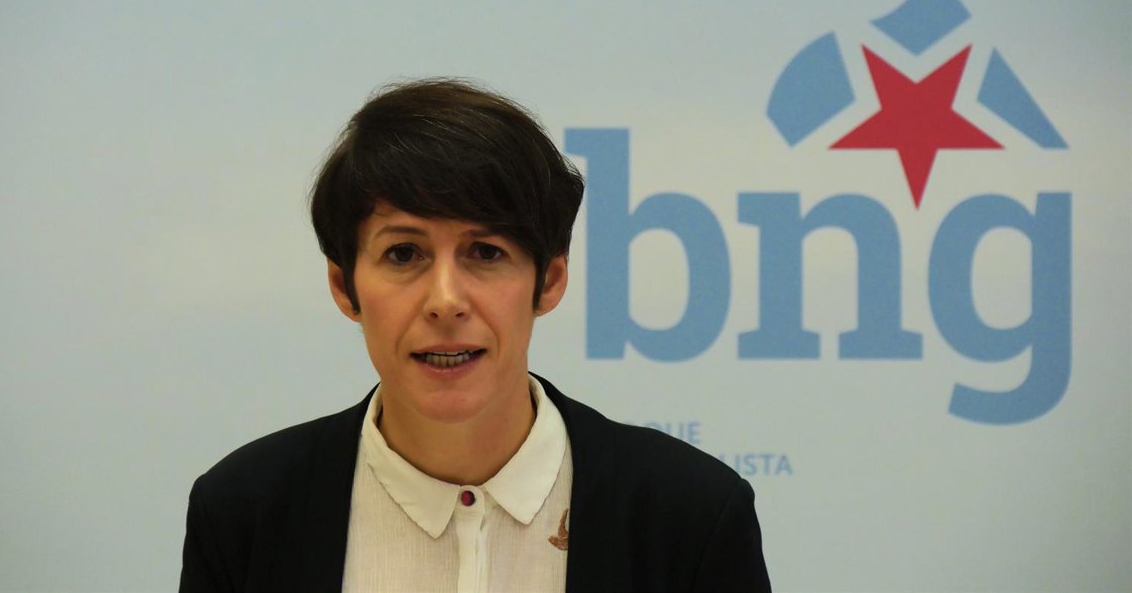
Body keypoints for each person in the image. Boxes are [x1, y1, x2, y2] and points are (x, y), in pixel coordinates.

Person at [180, 79, 770, 592]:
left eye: (485, 252)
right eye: (404, 253)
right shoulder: (245, 512)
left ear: (549, 280)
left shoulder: (690, 516)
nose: (445, 301)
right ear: (344, 285)